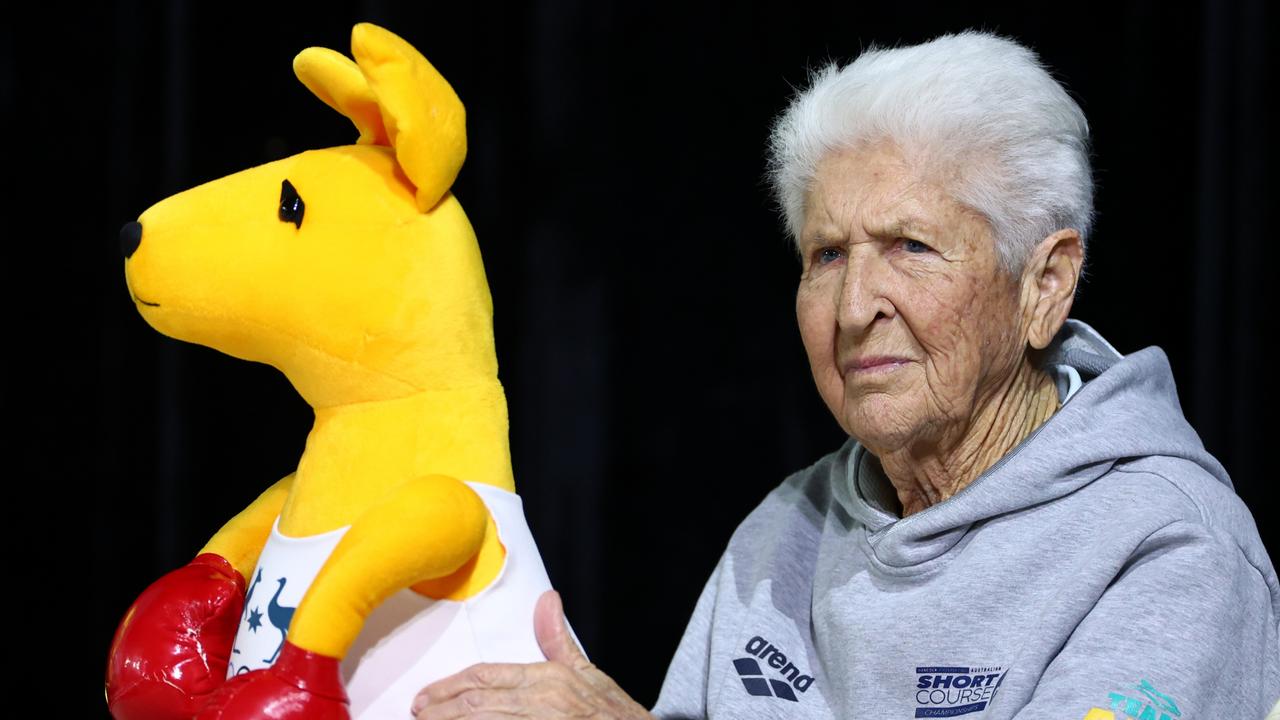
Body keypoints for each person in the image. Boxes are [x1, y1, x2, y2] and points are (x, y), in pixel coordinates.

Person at [411, 31, 1280, 720]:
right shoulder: (783, 534)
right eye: (827, 254)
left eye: (910, 245)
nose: (856, 303)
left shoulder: (1168, 545)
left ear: (1043, 285)